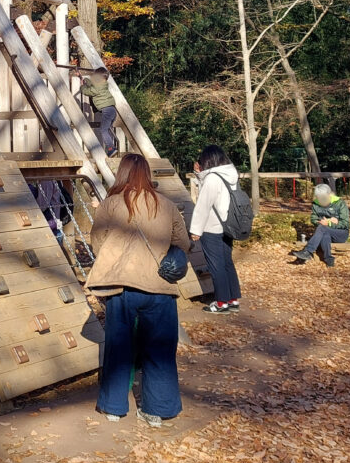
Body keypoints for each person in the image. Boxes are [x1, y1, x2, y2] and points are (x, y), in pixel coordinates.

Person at [84, 153, 190, 427]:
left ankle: (113, 408)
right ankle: (158, 411)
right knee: (160, 351)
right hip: (160, 287)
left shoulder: (111, 205)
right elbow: (182, 242)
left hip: (122, 287)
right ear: (146, 173)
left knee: (119, 347)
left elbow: (98, 242)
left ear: (123, 173)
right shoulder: (166, 205)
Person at [190, 145, 242, 314]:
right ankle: (232, 299)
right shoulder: (231, 174)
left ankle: (221, 303)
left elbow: (204, 204)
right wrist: (200, 175)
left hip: (212, 228)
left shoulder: (212, 178)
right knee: (227, 263)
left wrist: (196, 230)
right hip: (228, 226)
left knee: (216, 265)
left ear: (209, 160)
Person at [292, 183, 349, 268]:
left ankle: (308, 251)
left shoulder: (340, 203)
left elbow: (345, 223)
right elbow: (313, 219)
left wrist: (329, 223)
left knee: (323, 228)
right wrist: (322, 222)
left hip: (341, 234)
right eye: (319, 197)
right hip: (324, 231)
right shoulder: (316, 204)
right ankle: (329, 260)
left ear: (329, 194)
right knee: (324, 233)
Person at [79, 67, 118, 157]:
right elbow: (91, 84)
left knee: (103, 130)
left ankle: (111, 148)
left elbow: (87, 91)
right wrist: (84, 79)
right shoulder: (103, 84)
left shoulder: (97, 88)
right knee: (107, 129)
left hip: (106, 110)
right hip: (112, 109)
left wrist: (82, 85)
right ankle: (111, 149)